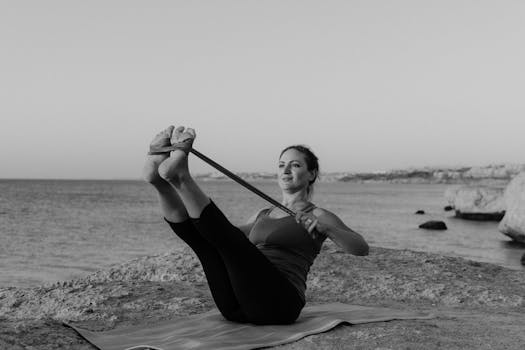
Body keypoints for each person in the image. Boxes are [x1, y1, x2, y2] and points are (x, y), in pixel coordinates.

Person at [143, 125, 369, 325]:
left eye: (295, 165)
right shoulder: (263, 214)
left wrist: (326, 228)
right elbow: (221, 236)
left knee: (227, 241)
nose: (286, 170)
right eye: (281, 165)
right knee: (206, 243)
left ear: (311, 174)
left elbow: (360, 248)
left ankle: (180, 177)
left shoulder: (317, 213)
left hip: (280, 304)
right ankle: (161, 184)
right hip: (237, 306)